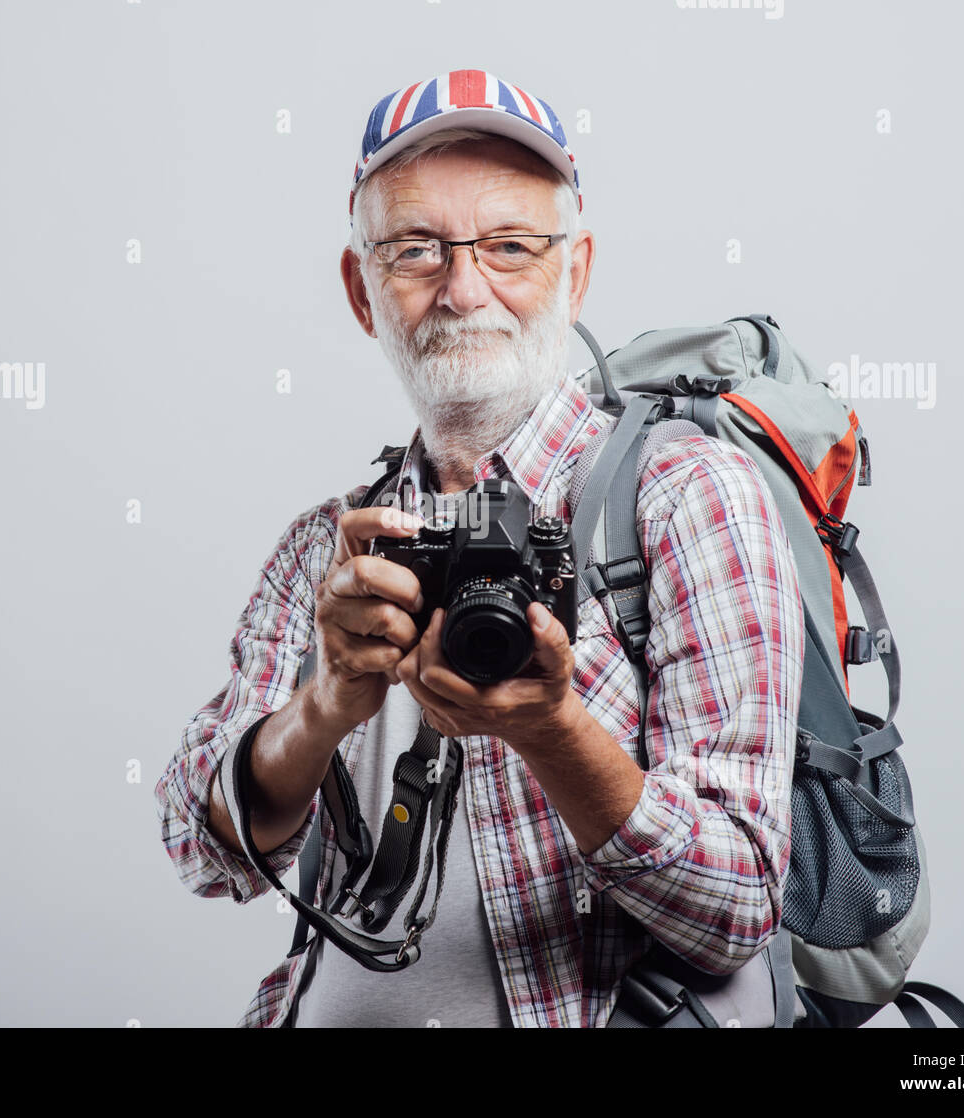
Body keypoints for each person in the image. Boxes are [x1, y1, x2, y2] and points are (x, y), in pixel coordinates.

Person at [154, 69, 805, 1028]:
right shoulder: (326, 551)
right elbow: (198, 852)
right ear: (361, 289)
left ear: (575, 270)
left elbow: (737, 907)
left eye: (510, 246)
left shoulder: (684, 498)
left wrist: (552, 730)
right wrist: (325, 707)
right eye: (416, 249)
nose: (465, 290)